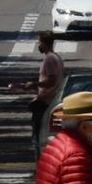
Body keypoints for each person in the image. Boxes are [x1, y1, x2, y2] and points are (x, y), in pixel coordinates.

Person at [14, 30, 64, 158]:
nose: (38, 45)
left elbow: (51, 80)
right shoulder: (56, 57)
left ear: (44, 43)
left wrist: (36, 84)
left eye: (39, 42)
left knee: (37, 136)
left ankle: (39, 164)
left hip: (45, 103)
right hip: (50, 100)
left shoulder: (50, 59)